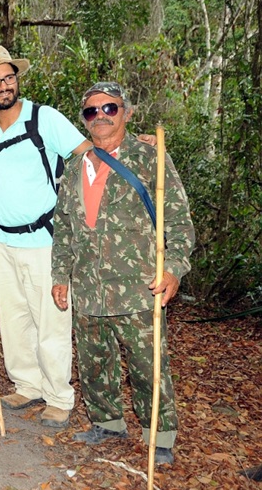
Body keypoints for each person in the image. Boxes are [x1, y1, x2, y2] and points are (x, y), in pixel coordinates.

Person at [51, 82, 195, 465]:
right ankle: (107, 423)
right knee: (94, 361)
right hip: (88, 285)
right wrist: (60, 274)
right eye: (91, 111)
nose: (100, 116)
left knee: (148, 365)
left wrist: (174, 270)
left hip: (139, 287)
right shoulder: (74, 165)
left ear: (126, 113)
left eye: (109, 108)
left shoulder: (151, 158)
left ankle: (159, 437)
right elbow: (64, 225)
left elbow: (179, 223)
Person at [0, 45, 91, 428]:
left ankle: (58, 397)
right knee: (13, 319)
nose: (3, 86)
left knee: (50, 321)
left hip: (45, 240)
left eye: (8, 77)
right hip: (1, 240)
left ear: (17, 80)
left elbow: (85, 153)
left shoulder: (43, 118)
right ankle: (27, 384)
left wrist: (127, 148)